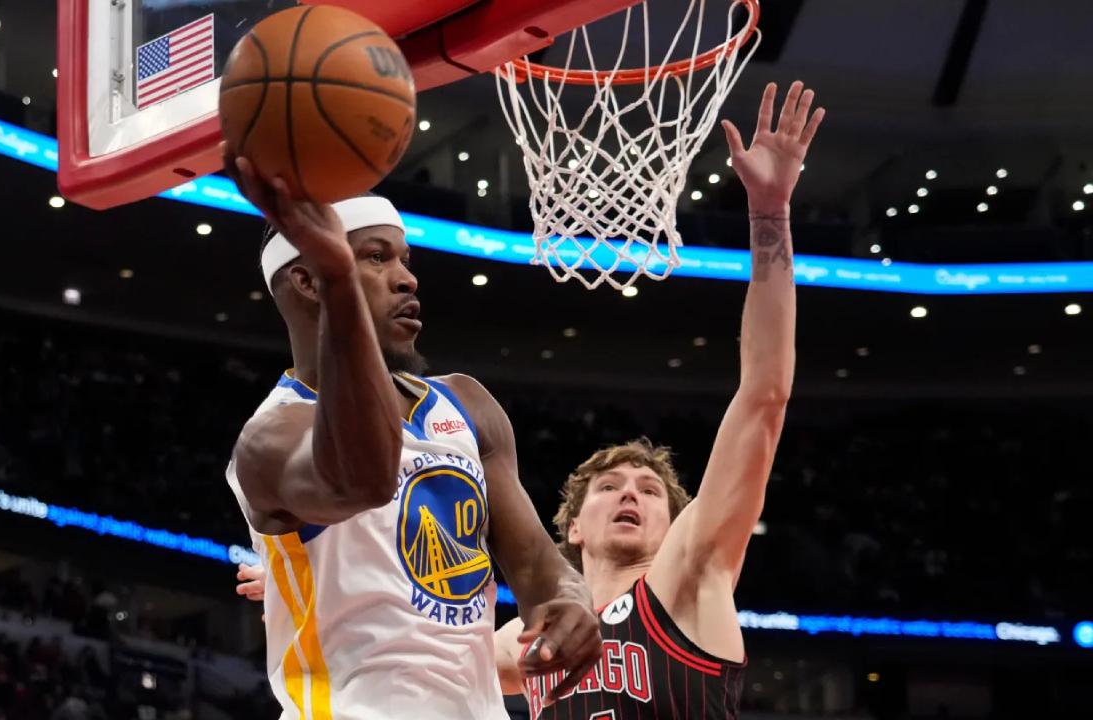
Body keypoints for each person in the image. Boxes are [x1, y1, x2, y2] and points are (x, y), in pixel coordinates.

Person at [240, 79, 822, 720]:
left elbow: (765, 396)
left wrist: (770, 216)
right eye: (609, 486)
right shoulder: (524, 651)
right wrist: (316, 585)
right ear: (572, 524)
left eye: (651, 491)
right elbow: (371, 513)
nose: (630, 493)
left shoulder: (689, 571)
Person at [222, 151, 601, 720]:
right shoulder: (272, 437)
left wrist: (570, 604)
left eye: (404, 258)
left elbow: (537, 568)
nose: (407, 277)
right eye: (375, 258)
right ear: (308, 280)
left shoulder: (467, 404)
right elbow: (363, 479)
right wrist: (341, 283)